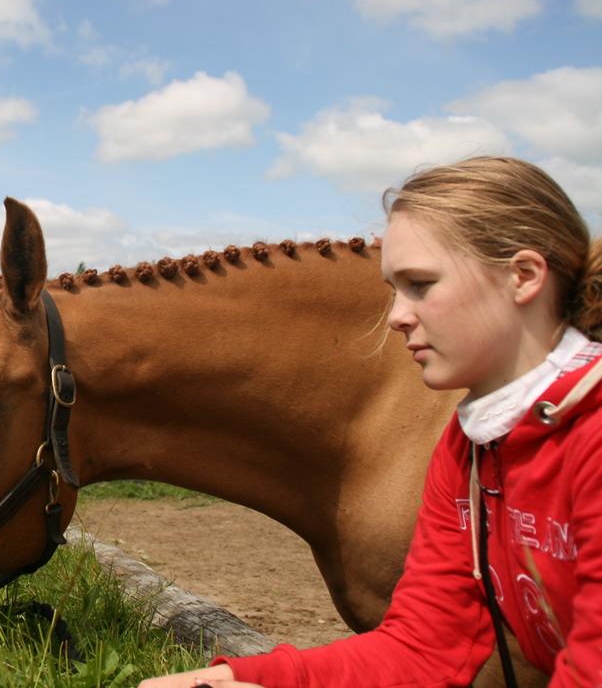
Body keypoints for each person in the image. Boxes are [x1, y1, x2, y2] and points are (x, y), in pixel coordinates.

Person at [139, 156, 602, 688]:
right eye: (394, 289)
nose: (397, 316)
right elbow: (427, 648)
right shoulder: (470, 447)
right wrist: (235, 678)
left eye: (420, 284)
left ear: (523, 277)